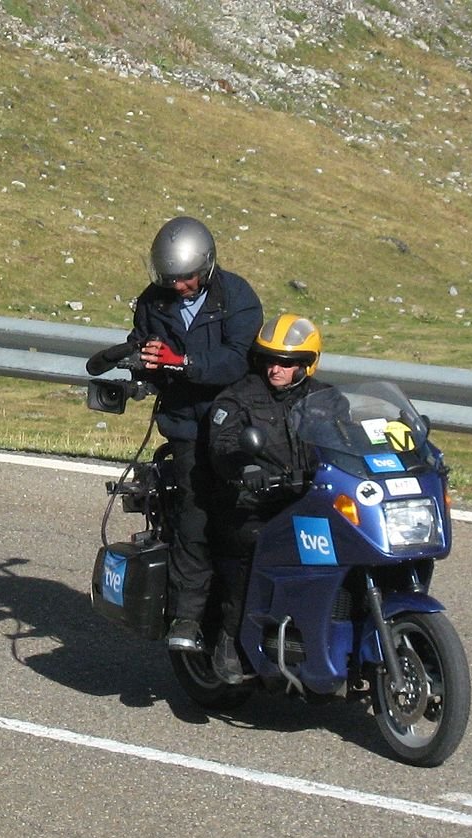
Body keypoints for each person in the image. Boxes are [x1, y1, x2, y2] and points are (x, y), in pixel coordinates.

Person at [127, 215, 263, 652]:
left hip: (236, 423)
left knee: (246, 522)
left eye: (186, 279)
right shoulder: (153, 301)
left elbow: (239, 360)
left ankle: (239, 622)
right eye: (171, 280)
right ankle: (186, 618)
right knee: (195, 516)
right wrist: (142, 366)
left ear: (205, 267)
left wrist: (183, 363)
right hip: (187, 424)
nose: (179, 287)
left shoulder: (237, 296)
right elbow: (141, 341)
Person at [207, 314, 330, 682]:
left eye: (287, 363)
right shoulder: (240, 397)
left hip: (309, 501)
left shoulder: (327, 399)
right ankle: (229, 637)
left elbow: (352, 439)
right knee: (254, 550)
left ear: (306, 365)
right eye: (270, 359)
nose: (276, 368)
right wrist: (245, 469)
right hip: (254, 506)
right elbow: (222, 444)